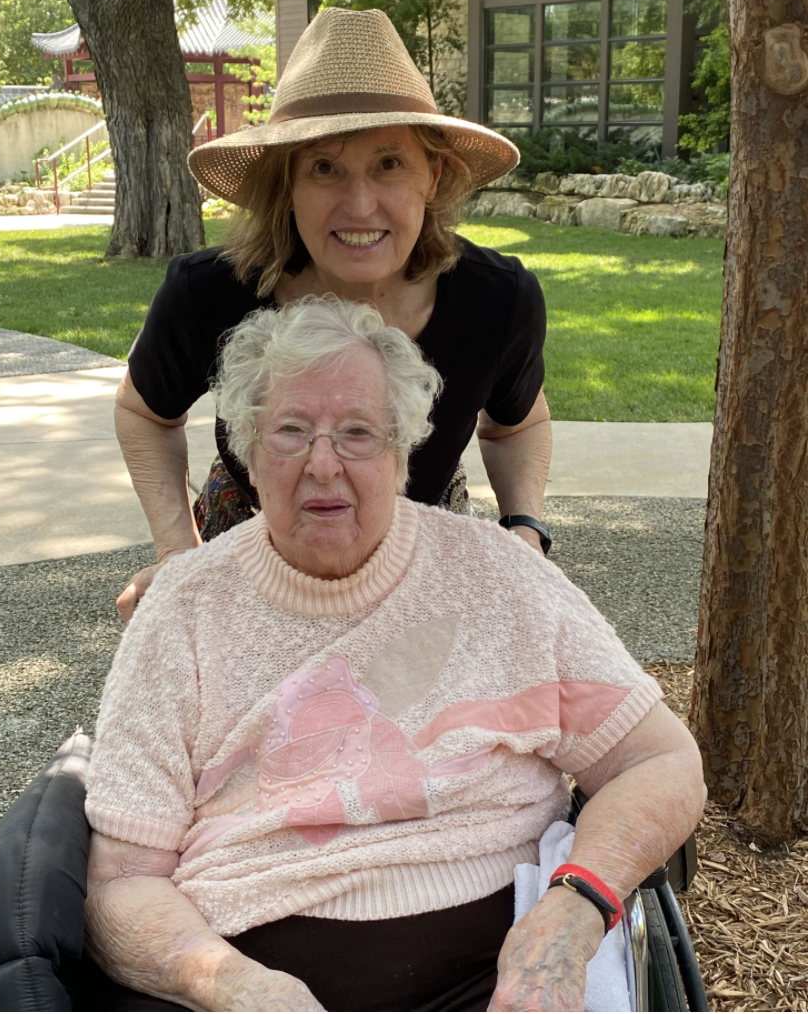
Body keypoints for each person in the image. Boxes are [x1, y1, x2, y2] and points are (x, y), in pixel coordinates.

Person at [85, 297, 706, 1012]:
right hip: (249, 979)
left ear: (403, 452)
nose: (323, 465)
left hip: (506, 975)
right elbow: (121, 884)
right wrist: (235, 987)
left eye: (357, 434)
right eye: (290, 432)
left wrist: (574, 913)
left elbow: (658, 760)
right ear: (249, 453)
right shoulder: (185, 607)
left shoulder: (497, 575)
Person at [115, 7, 553, 622]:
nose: (359, 204)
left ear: (434, 173)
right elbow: (143, 412)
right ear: (286, 182)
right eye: (324, 167)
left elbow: (517, 425)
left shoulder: (496, 301)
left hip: (423, 544)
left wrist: (524, 527)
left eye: (389, 163)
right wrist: (177, 554)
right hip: (250, 538)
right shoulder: (209, 291)